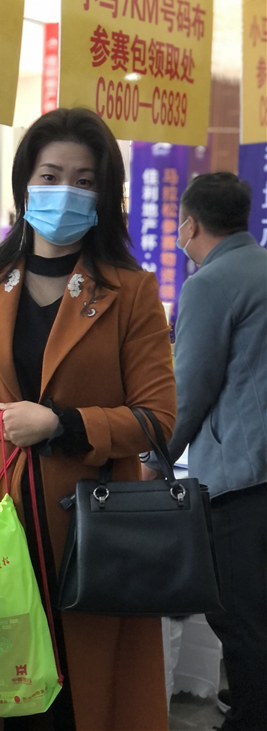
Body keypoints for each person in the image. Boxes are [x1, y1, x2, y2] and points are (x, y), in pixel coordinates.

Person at [0, 108, 177, 731]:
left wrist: (63, 424)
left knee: (72, 702)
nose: (65, 191)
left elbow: (158, 420)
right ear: (25, 183)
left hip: (83, 538)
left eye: (84, 180)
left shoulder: (130, 292)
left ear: (105, 195)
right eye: (51, 176)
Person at [143, 172, 267, 731]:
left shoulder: (209, 283)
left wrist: (155, 458)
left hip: (241, 480)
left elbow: (189, 391)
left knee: (241, 620)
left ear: (189, 225)